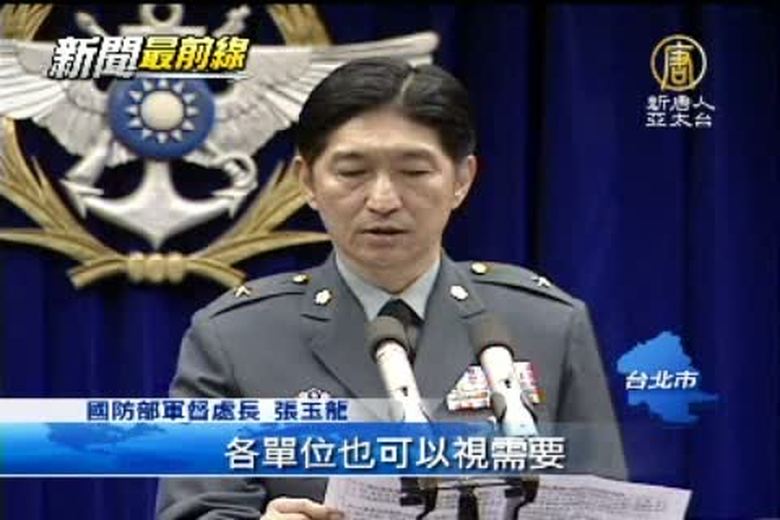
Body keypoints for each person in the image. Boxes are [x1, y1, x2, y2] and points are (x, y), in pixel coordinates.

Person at [156, 57, 628, 520]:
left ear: (462, 179)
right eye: (352, 172)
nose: (383, 200)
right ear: (307, 181)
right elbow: (196, 510)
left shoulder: (546, 325)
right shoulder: (235, 338)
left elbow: (604, 505)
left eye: (414, 172)